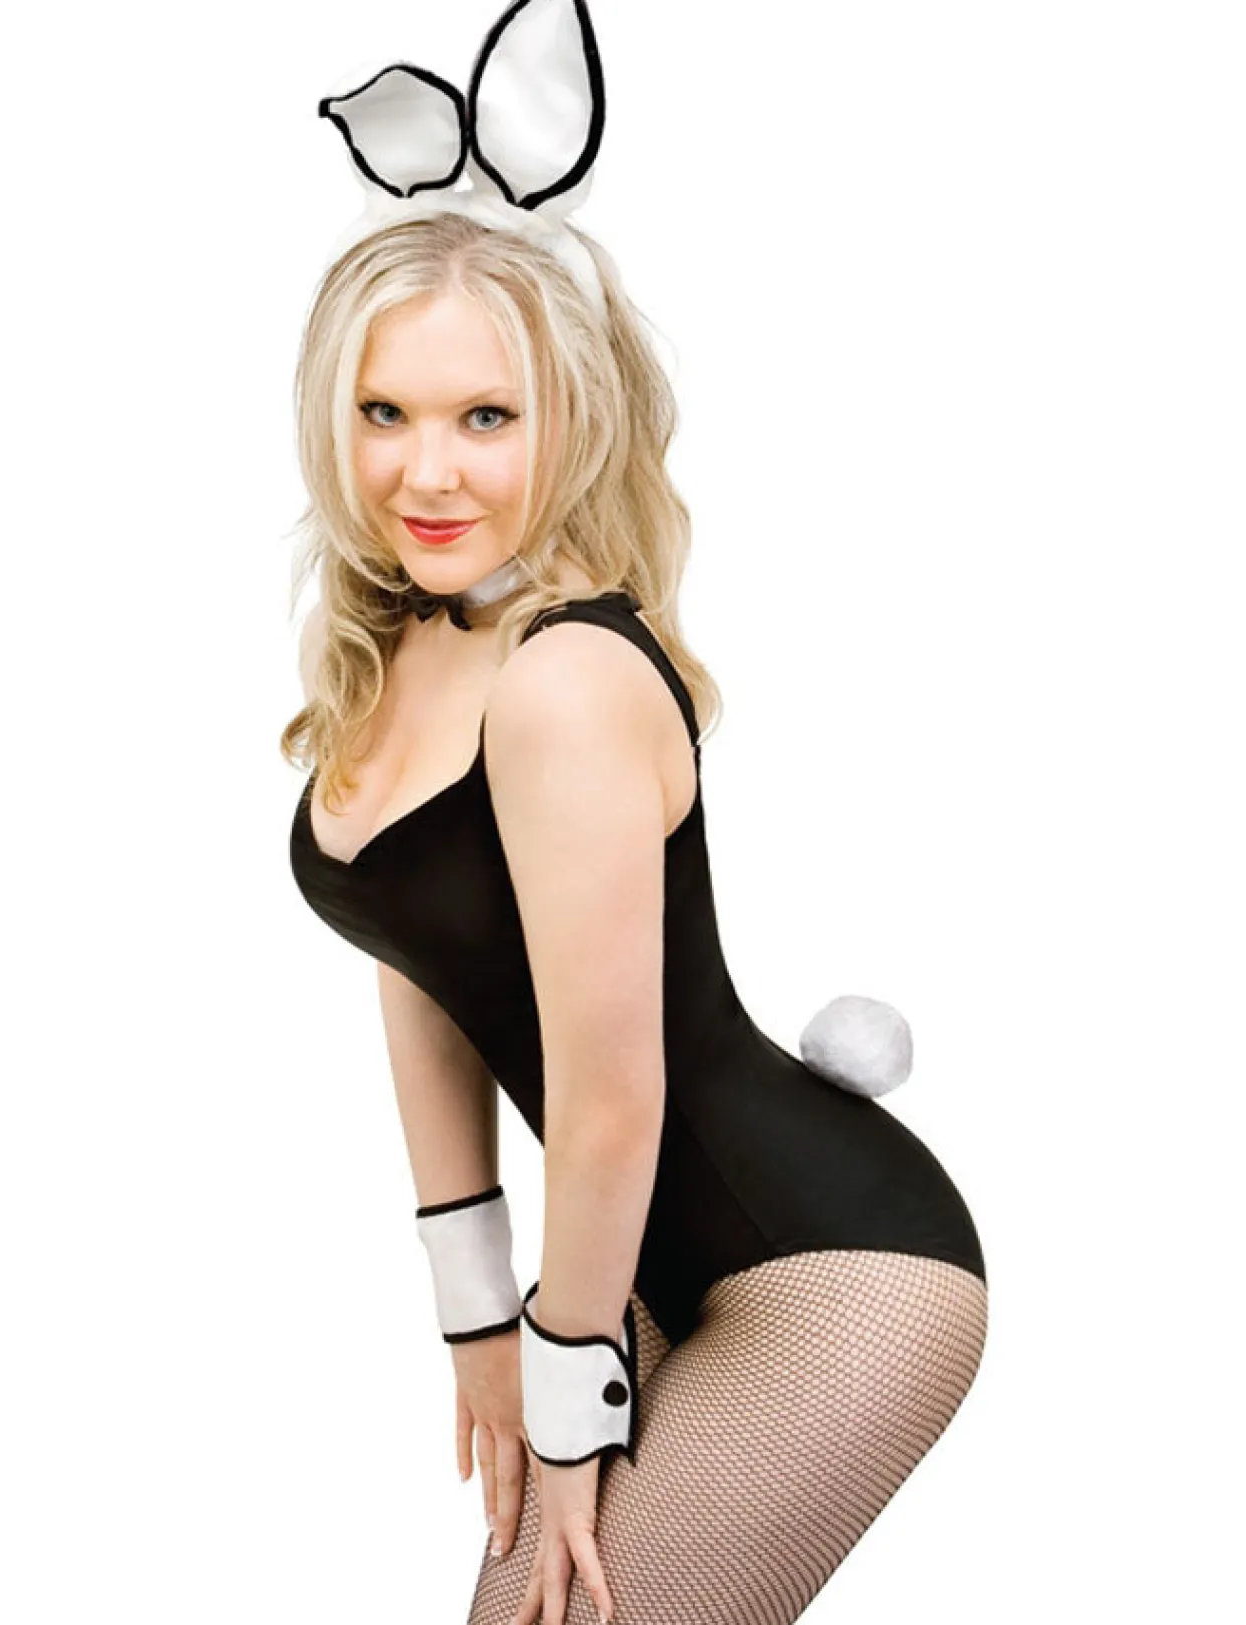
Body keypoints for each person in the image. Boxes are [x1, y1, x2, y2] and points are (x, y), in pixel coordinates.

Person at [282, 5, 987, 1621]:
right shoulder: (401, 649)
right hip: (634, 1269)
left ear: (570, 417)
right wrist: (476, 1313)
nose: (427, 474)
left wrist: (568, 1391)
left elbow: (607, 1102)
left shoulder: (566, 678)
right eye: (386, 414)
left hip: (834, 1271)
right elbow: (419, 965)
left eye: (486, 417)